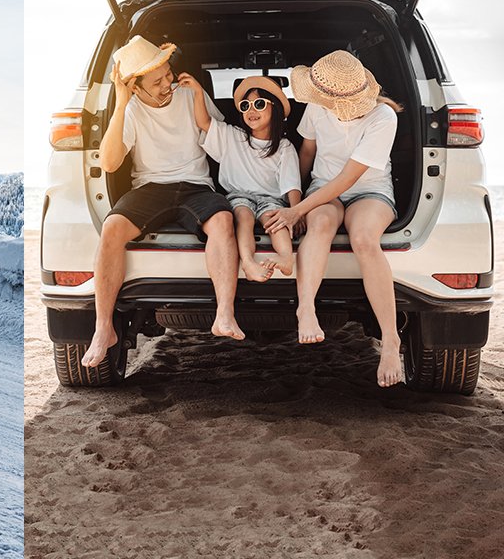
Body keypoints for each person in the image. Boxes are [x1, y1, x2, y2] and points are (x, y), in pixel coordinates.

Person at [81, 35, 244, 369]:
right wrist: (122, 104)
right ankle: (103, 329)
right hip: (150, 187)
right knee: (111, 228)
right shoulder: (130, 108)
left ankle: (224, 315)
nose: (168, 82)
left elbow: (219, 143)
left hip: (196, 185)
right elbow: (110, 163)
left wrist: (199, 95)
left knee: (223, 222)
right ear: (136, 87)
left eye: (168, 74)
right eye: (157, 81)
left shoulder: (188, 95)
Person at [262, 50, 404, 387]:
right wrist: (291, 197)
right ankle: (306, 309)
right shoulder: (318, 106)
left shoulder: (383, 117)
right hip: (324, 186)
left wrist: (297, 210)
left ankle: (391, 340)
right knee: (321, 223)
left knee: (365, 240)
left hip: (369, 190)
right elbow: (308, 153)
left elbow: (351, 178)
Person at [182, 74, 301, 281]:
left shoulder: (284, 147)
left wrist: (295, 212)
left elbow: (292, 184)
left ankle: (286, 258)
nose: (251, 110)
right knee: (243, 217)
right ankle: (248, 262)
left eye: (259, 104)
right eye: (245, 106)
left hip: (271, 200)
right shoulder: (232, 136)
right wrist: (198, 92)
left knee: (276, 222)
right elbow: (203, 122)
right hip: (239, 196)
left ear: (276, 110)